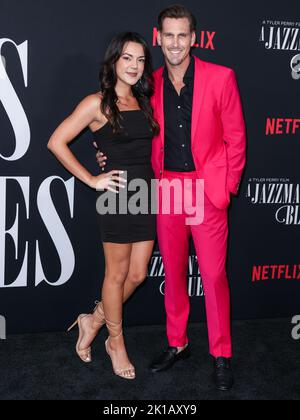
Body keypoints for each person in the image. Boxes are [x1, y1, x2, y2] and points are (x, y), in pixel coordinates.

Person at [96, 5, 247, 391]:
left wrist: (225, 187)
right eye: (169, 35)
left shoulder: (221, 77)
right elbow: (130, 131)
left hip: (206, 189)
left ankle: (221, 354)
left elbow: (236, 138)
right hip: (167, 189)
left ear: (194, 38)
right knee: (174, 273)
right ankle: (178, 343)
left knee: (213, 276)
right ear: (158, 37)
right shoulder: (150, 84)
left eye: (183, 35)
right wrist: (105, 156)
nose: (176, 43)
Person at [47, 32, 159, 380]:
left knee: (138, 274)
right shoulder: (97, 103)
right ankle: (115, 341)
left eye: (140, 60)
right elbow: (56, 142)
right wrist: (92, 179)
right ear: (113, 60)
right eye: (127, 58)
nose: (134, 66)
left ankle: (92, 320)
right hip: (117, 194)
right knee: (116, 275)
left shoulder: (144, 101)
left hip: (145, 191)